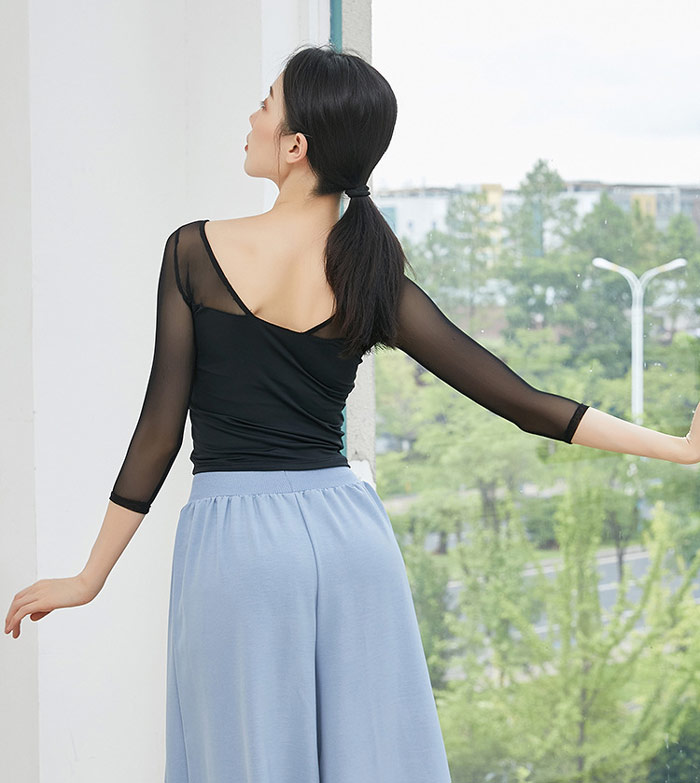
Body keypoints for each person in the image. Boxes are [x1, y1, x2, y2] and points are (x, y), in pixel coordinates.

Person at [4, 43, 699, 782]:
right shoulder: (371, 274)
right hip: (351, 540)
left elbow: (158, 431)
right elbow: (523, 403)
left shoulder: (194, 253)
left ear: (296, 146)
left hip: (237, 546)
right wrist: (682, 448)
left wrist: (89, 577)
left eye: (265, 105)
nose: (252, 118)